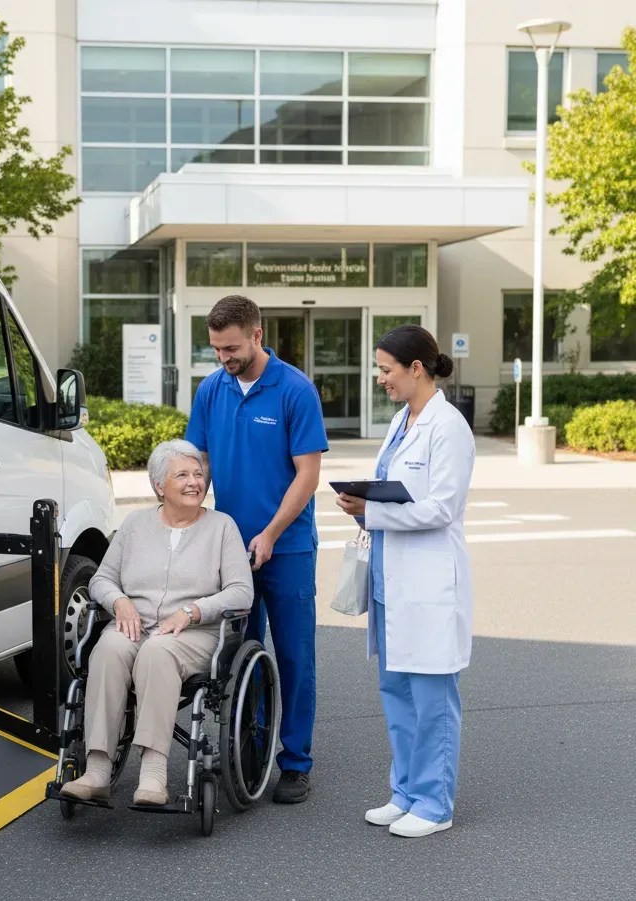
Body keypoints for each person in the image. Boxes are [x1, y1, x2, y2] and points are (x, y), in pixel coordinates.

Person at [185, 295, 328, 805]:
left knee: (293, 655)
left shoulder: (294, 390)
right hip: (230, 551)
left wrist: (268, 534)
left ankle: (295, 761)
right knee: (237, 654)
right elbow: (197, 463)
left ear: (257, 335)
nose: (224, 357)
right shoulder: (211, 390)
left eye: (231, 347)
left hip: (285, 548)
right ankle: (252, 745)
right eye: (217, 348)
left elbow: (308, 475)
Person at [335, 324, 475, 838]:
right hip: (390, 580)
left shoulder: (448, 427)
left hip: (429, 582)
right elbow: (394, 491)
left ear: (417, 368)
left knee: (432, 698)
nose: (380, 379)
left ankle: (435, 804)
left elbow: (441, 507)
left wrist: (372, 511)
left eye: (386, 369)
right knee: (396, 690)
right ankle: (406, 792)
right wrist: (360, 504)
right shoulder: (401, 419)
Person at [59, 439, 253, 807]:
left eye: (199, 474)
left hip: (193, 633)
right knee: (110, 649)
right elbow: (101, 579)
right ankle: (97, 768)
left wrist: (194, 611)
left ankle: (153, 772)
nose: (195, 481)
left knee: (157, 653)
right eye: (182, 475)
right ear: (159, 486)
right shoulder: (135, 525)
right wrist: (119, 603)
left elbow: (242, 592)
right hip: (136, 625)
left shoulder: (221, 527)